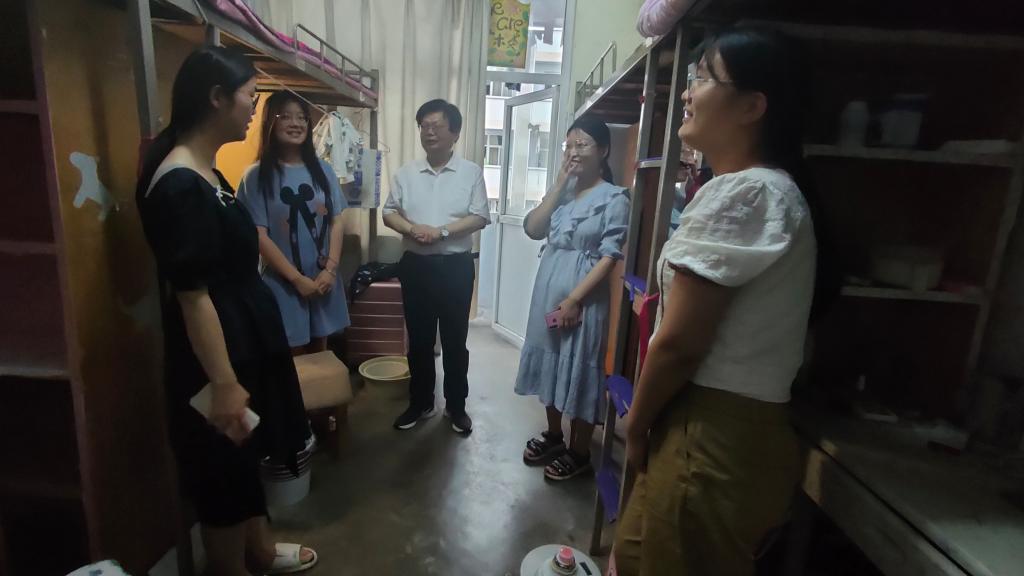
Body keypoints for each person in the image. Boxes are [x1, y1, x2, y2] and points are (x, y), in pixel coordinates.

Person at [614, 29, 823, 576]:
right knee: (638, 556)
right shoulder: (759, 190)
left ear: (753, 106)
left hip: (712, 431)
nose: (687, 92)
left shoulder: (747, 193)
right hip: (709, 427)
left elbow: (680, 344)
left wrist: (636, 424)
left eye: (703, 78)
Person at [135, 47, 317, 576]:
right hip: (215, 358)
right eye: (250, 97)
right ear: (217, 98)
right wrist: (223, 382)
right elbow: (193, 296)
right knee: (221, 471)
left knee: (243, 459)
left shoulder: (206, 173)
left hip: (242, 339)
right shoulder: (178, 184)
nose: (255, 109)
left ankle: (258, 551)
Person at [515, 117, 630, 481]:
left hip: (584, 300)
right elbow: (533, 229)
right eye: (568, 146)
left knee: (580, 366)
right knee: (550, 360)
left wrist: (575, 299)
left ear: (603, 151)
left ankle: (579, 452)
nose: (573, 152)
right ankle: (554, 435)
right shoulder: (562, 195)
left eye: (582, 145)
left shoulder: (615, 198)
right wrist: (559, 183)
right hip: (548, 291)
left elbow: (610, 257)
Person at [382, 99, 490, 435]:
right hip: (416, 266)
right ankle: (421, 402)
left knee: (455, 340)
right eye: (424, 126)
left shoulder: (470, 172)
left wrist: (441, 232)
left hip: (456, 267)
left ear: (454, 133)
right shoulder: (406, 173)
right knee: (419, 340)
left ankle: (456, 406)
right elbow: (389, 212)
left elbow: (480, 216)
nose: (429, 132)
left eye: (437, 126)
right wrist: (412, 228)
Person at [237, 91, 350, 356]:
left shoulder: (323, 170)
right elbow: (258, 235)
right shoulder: (256, 176)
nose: (296, 123)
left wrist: (330, 270)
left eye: (301, 118)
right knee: (290, 355)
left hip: (323, 278)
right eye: (285, 116)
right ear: (270, 122)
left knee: (320, 354)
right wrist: (297, 280)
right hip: (283, 283)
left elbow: (336, 220)